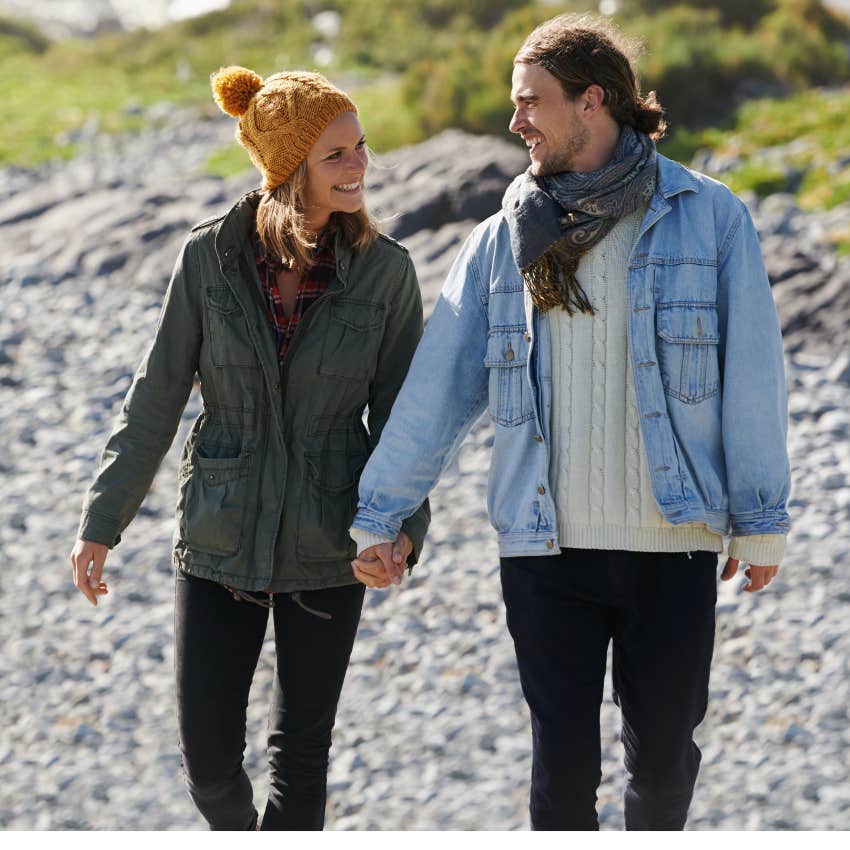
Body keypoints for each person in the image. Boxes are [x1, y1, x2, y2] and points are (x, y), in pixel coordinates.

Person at [349, 14, 790, 831]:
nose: (515, 122)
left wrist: (759, 521)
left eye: (530, 102)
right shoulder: (500, 239)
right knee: (561, 770)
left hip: (674, 539)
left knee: (663, 764)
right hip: (546, 548)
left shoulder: (710, 217)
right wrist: (381, 516)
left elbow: (754, 376)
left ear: (592, 101)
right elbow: (439, 389)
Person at [69, 66, 428, 830]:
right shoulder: (209, 260)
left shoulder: (387, 274)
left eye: (360, 146)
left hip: (332, 542)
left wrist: (401, 535)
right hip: (219, 537)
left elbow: (407, 427)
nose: (359, 165)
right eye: (336, 154)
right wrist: (102, 521)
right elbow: (156, 396)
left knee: (301, 760)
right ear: (289, 166)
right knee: (207, 763)